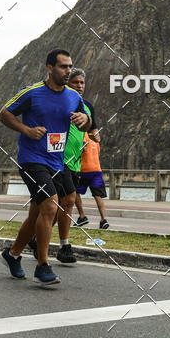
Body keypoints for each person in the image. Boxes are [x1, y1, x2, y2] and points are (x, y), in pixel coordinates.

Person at [0, 49, 91, 286]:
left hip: (57, 162)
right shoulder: (33, 93)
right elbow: (3, 114)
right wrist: (26, 130)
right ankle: (43, 265)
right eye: (63, 67)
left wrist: (85, 121)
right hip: (32, 159)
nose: (68, 71)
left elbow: (88, 121)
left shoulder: (73, 96)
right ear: (50, 68)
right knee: (50, 205)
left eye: (70, 66)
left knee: (39, 213)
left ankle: (13, 254)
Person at [59, 67, 100, 255]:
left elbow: (92, 130)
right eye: (76, 82)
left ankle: (35, 238)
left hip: (76, 163)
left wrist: (94, 135)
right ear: (68, 82)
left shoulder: (88, 106)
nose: (80, 85)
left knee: (58, 205)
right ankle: (64, 246)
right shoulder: (61, 102)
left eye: (82, 82)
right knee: (66, 200)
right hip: (58, 160)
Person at [75, 133, 109, 229]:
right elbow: (98, 152)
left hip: (84, 170)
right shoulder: (95, 137)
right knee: (98, 195)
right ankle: (103, 219)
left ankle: (82, 216)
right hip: (97, 170)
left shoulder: (82, 134)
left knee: (74, 191)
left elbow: (83, 148)